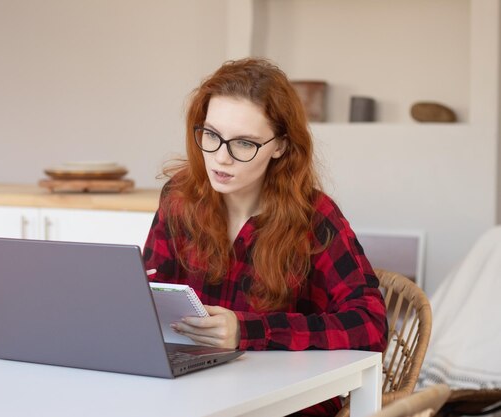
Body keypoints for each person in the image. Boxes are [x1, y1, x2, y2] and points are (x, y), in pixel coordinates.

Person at [143, 58, 387, 416]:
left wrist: (247, 331)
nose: (220, 158)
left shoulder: (314, 217)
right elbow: (152, 295)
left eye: (243, 143)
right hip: (193, 393)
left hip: (286, 401)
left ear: (280, 146)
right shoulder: (179, 197)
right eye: (211, 135)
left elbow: (371, 323)